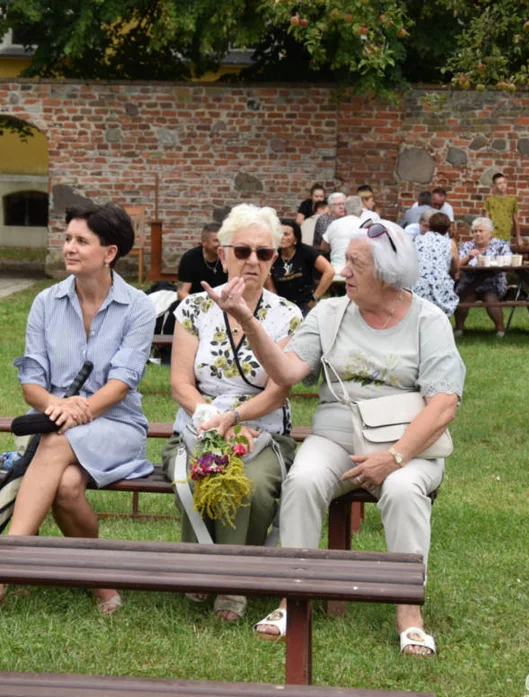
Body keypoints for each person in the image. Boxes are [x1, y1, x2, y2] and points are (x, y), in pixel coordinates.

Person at [203, 219, 464, 656]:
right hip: (337, 434)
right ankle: (294, 599)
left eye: (356, 264)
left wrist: (394, 458)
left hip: (408, 441)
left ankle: (408, 611)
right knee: (303, 480)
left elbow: (443, 406)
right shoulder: (330, 313)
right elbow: (285, 372)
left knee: (401, 491)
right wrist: (247, 319)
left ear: (387, 271)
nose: (344, 272)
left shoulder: (428, 320)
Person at [0, 203, 155, 617]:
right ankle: (103, 584)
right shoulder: (46, 303)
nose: (69, 247)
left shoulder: (139, 307)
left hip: (117, 425)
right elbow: (31, 380)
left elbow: (123, 382)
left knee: (55, 440)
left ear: (109, 252)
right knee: (66, 486)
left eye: (81, 241)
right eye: (67, 238)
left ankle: (1, 570)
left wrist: (77, 411)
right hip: (58, 423)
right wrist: (58, 406)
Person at [163, 204, 301, 622]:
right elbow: (179, 385)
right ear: (222, 255)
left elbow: (279, 392)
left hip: (263, 430)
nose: (253, 260)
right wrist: (211, 422)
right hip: (198, 424)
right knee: (204, 469)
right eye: (242, 250)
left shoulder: (288, 316)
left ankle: (232, 580)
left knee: (250, 483)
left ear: (275, 259)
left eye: (265, 253)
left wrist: (236, 421)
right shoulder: (192, 310)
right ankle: (206, 569)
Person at [454, 216, 512, 336]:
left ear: (490, 233)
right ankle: (459, 329)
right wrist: (468, 257)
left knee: (490, 299)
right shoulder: (467, 246)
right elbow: (457, 265)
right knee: (463, 299)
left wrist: (495, 262)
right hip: (469, 282)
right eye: (475, 231)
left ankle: (500, 330)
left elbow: (509, 260)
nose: (477, 234)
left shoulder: (500, 245)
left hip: (493, 282)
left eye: (481, 231)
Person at [267, 219, 335, 314]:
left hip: (305, 304)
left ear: (296, 238)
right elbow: (270, 287)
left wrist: (315, 298)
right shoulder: (272, 255)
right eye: (279, 234)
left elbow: (329, 271)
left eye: (286, 234)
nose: (282, 237)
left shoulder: (306, 252)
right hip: (282, 306)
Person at [412, 210, 459, 317]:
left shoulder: (417, 239)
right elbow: (455, 268)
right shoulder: (450, 243)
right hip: (440, 291)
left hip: (416, 288)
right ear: (447, 229)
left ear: (430, 226)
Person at [177, 223, 226, 300]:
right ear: (204, 242)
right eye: (216, 240)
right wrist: (201, 306)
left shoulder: (228, 256)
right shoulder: (190, 258)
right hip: (196, 302)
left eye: (222, 240)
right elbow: (182, 293)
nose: (220, 244)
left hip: (222, 303)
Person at [321, 194, 364, 274]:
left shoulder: (333, 224)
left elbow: (323, 247)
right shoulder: (364, 226)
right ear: (361, 211)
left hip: (336, 271)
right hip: (356, 273)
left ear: (345, 210)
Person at [483, 172, 521, 246]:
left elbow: (516, 221)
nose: (503, 185)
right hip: (492, 237)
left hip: (506, 237)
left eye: (504, 182)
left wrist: (518, 237)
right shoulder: (489, 201)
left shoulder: (512, 200)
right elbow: (486, 221)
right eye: (499, 183)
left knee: (505, 257)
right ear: (494, 186)